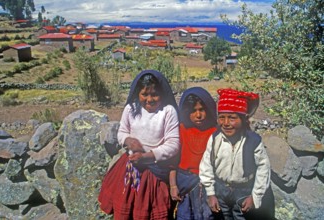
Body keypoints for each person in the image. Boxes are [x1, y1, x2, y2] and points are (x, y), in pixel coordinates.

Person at [98, 69, 180, 219]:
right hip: (130, 169)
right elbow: (122, 132)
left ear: (162, 94)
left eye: (155, 94)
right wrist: (128, 140)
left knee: (149, 211)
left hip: (155, 171)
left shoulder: (168, 112)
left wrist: (146, 156)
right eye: (144, 94)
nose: (149, 99)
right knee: (126, 207)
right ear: (137, 93)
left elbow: (173, 144)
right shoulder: (131, 109)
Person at [199, 88, 274, 220]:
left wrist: (255, 197)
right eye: (221, 117)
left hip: (243, 192)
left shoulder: (254, 141)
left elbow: (263, 169)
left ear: (244, 119)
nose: (226, 123)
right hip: (220, 190)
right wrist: (210, 193)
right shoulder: (215, 138)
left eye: (232, 118)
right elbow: (206, 166)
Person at [169, 87, 217, 219]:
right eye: (193, 111)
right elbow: (173, 162)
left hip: (208, 187)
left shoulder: (215, 132)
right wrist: (173, 185)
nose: (198, 115)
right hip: (185, 185)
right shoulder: (181, 130)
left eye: (201, 109)